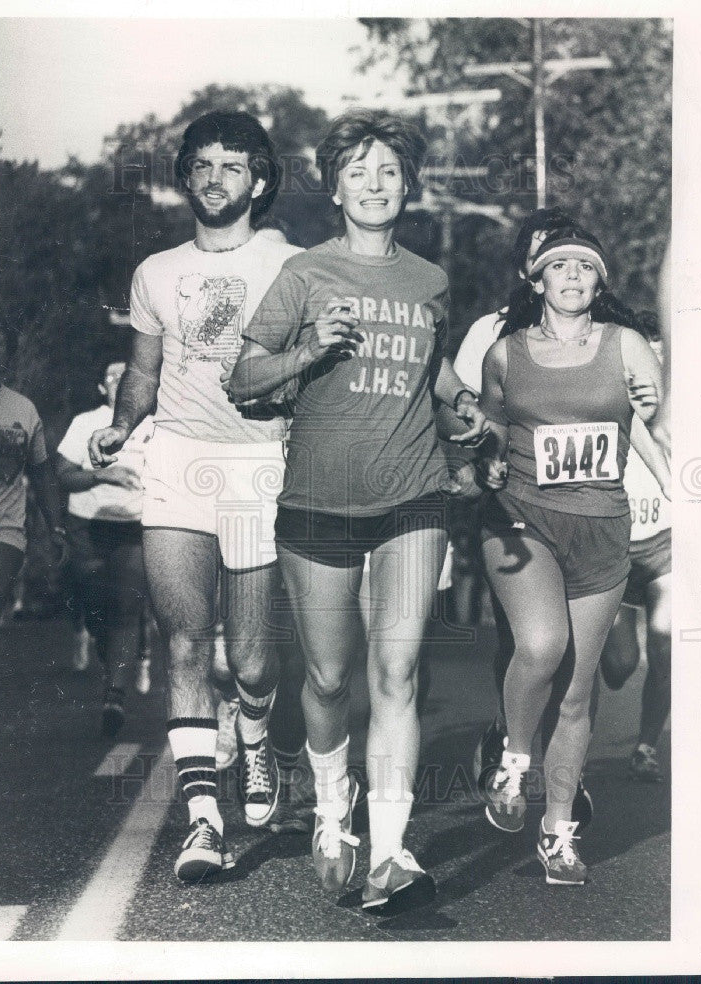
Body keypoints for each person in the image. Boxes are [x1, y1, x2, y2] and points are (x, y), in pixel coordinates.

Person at [230, 108, 487, 913]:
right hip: (317, 499)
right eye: (358, 172)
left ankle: (389, 853)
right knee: (330, 675)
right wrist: (309, 350)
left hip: (414, 494)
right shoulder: (305, 273)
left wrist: (464, 404)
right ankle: (332, 810)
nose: (374, 185)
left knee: (398, 671)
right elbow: (243, 378)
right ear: (334, 185)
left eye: (388, 172)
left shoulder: (428, 278)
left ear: (407, 185)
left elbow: (433, 368)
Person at [88, 111, 302, 881]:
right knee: (182, 641)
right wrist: (120, 427)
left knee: (247, 662)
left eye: (233, 167)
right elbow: (142, 372)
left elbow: (312, 370)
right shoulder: (156, 272)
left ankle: (255, 743)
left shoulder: (293, 265)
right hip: (177, 459)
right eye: (203, 165)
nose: (215, 179)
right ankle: (203, 821)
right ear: (186, 175)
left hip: (257, 465)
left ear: (260, 180)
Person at [476, 226, 663, 885]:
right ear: (536, 282)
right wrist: (488, 457)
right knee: (541, 645)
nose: (574, 275)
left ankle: (557, 832)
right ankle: (513, 761)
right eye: (560, 266)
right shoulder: (504, 354)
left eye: (587, 266)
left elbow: (655, 422)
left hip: (601, 525)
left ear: (599, 282)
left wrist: (654, 412)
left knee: (579, 690)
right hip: (520, 518)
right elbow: (491, 429)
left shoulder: (626, 345)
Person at [436, 208, 597, 828]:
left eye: (569, 253)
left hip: (587, 511)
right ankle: (510, 736)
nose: (558, 265)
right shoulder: (491, 332)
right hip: (510, 508)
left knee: (584, 652)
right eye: (543, 254)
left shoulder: (602, 328)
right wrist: (482, 457)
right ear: (526, 271)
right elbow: (463, 411)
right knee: (529, 641)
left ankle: (565, 773)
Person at [56, 360, 154, 736]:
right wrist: (102, 474)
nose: (120, 381)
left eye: (127, 375)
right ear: (102, 387)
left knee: (127, 608)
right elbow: (63, 475)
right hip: (87, 527)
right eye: (112, 375)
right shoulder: (85, 422)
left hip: (133, 527)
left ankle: (115, 693)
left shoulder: (155, 425)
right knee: (96, 613)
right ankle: (112, 660)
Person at [600, 312, 671, 781]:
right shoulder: (613, 403)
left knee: (668, 649)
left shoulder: (686, 406)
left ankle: (646, 746)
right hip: (621, 547)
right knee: (621, 665)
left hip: (669, 544)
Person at [0, 325, 67, 645]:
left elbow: (41, 472)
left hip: (3, 532)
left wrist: (56, 529)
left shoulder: (23, 409)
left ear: (7, 355)